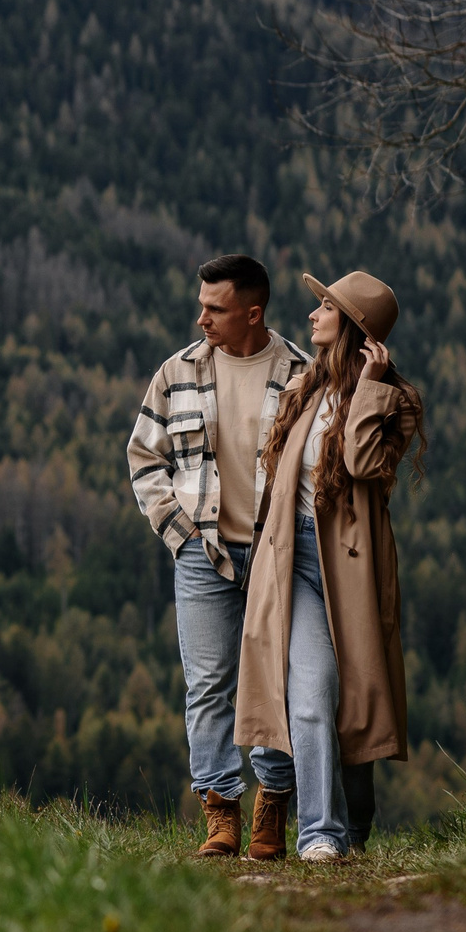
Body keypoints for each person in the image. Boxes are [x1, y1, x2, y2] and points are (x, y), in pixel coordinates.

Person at [235, 270, 428, 863]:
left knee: (356, 704)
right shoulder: (306, 389)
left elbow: (364, 462)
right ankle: (320, 834)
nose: (313, 313)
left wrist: (368, 385)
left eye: (325, 307)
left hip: (348, 571)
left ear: (352, 327)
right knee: (312, 692)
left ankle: (351, 826)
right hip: (292, 561)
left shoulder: (392, 402)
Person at [127, 255, 310, 858]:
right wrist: (179, 535)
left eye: (215, 308)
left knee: (273, 683)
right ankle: (220, 812)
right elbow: (143, 458)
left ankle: (272, 807)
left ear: (252, 313)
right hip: (201, 553)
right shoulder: (176, 372)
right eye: (202, 304)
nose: (200, 316)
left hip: (274, 555)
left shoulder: (302, 375)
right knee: (207, 686)